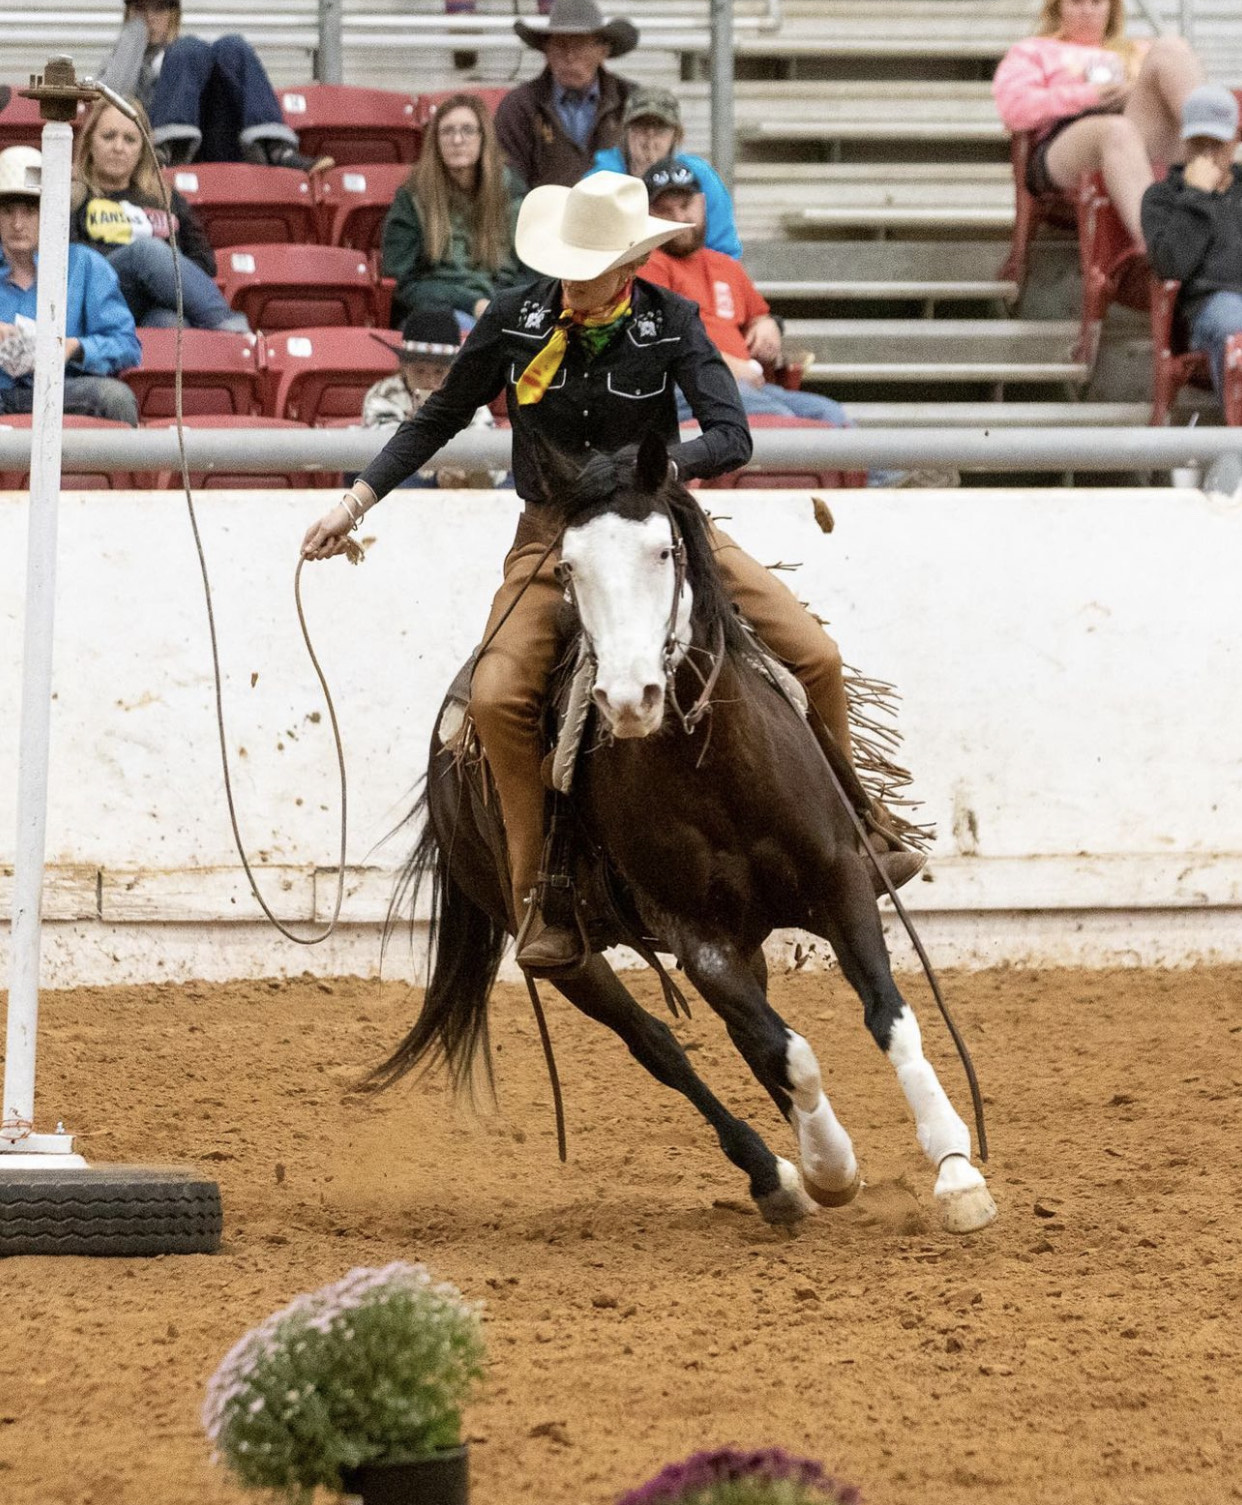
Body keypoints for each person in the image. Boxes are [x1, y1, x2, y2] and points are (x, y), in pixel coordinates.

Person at [301, 173, 923, 973]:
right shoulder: (514, 320)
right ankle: (539, 898)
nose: (573, 277)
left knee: (815, 654)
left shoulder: (672, 321)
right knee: (496, 697)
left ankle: (859, 827)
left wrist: (655, 470)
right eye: (567, 260)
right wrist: (355, 504)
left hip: (659, 526)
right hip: (551, 534)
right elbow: (439, 415)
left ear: (629, 264)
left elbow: (732, 435)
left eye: (589, 262)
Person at [640, 159, 849, 427]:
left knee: (831, 415)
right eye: (666, 211)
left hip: (750, 384)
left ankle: (894, 472)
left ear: (702, 203)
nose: (680, 219)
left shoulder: (726, 265)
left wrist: (767, 325)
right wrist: (725, 365)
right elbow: (663, 342)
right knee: (781, 421)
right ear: (648, 216)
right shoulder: (648, 264)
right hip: (692, 384)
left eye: (684, 206)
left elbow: (760, 316)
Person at [992, 0, 1204, 245]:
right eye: (1076, 2)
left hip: (1136, 129)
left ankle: (1215, 152)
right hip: (1066, 140)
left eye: (1096, 2)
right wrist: (1090, 95)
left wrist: (1131, 91)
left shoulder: (1136, 50)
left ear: (1111, 9)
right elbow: (1014, 109)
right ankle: (1160, 252)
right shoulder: (1034, 50)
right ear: (1058, 7)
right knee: (1117, 131)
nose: (1087, 10)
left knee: (1171, 47)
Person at [70, 94, 249, 332]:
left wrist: (158, 278)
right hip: (100, 296)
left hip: (156, 304)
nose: (118, 147)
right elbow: (71, 260)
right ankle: (233, 332)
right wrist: (140, 265)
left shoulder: (165, 197)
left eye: (130, 139)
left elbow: (204, 263)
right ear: (90, 141)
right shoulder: (74, 195)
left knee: (174, 325)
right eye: (108, 136)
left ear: (143, 148)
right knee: (146, 251)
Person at [97, 0, 330, 171]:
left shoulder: (186, 55)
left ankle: (278, 150)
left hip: (216, 141)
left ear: (173, 15)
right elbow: (111, 99)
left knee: (232, 46)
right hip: (155, 146)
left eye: (159, 9)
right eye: (140, 9)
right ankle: (165, 149)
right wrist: (133, 35)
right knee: (188, 49)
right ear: (128, 13)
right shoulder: (122, 59)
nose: (149, 18)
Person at [0, 147, 141, 426]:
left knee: (115, 398)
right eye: (7, 211)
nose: (17, 224)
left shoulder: (85, 265)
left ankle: (128, 472)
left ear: (48, 213)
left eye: (29, 211)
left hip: (64, 389)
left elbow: (127, 346)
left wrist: (73, 348)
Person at [382, 94, 526, 332]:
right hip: (436, 314)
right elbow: (401, 282)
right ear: (435, 141)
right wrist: (470, 303)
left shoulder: (512, 193)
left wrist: (497, 306)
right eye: (447, 132)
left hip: (501, 310)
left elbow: (530, 274)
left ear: (484, 138)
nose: (457, 140)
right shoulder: (413, 195)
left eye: (468, 130)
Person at [1142, 85, 1242, 400]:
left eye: (1218, 144)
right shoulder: (1163, 197)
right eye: (1199, 144)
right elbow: (1171, 264)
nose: (1208, 155)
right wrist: (1197, 196)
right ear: (1183, 141)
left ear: (1236, 139)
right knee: (1234, 324)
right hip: (1212, 307)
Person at [494, 0, 638, 190]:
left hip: (619, 215)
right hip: (543, 216)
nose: (569, 57)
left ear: (603, 51)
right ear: (546, 51)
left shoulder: (632, 100)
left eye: (579, 46)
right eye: (560, 45)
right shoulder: (520, 106)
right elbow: (509, 181)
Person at [586, 85, 743, 259]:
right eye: (641, 127)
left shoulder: (700, 176)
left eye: (660, 129)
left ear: (677, 136)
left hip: (687, 275)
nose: (650, 139)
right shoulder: (600, 180)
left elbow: (724, 250)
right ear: (625, 132)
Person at [361, 309, 508, 489]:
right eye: (420, 371)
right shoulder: (384, 395)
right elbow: (388, 458)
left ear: (453, 370)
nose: (430, 382)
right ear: (404, 367)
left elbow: (488, 456)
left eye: (439, 372)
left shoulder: (469, 397)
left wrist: (468, 473)